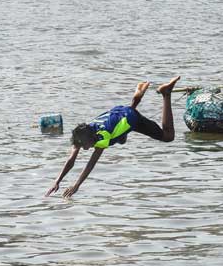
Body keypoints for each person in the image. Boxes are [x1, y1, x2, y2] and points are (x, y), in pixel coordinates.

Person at [45, 76, 180, 198]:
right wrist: (57, 181)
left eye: (86, 146)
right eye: (82, 146)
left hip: (131, 119)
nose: (85, 149)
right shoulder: (81, 132)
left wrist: (76, 185)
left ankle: (165, 93)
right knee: (121, 140)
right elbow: (71, 161)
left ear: (92, 138)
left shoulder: (103, 137)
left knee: (168, 136)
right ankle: (137, 96)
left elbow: (90, 164)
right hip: (117, 111)